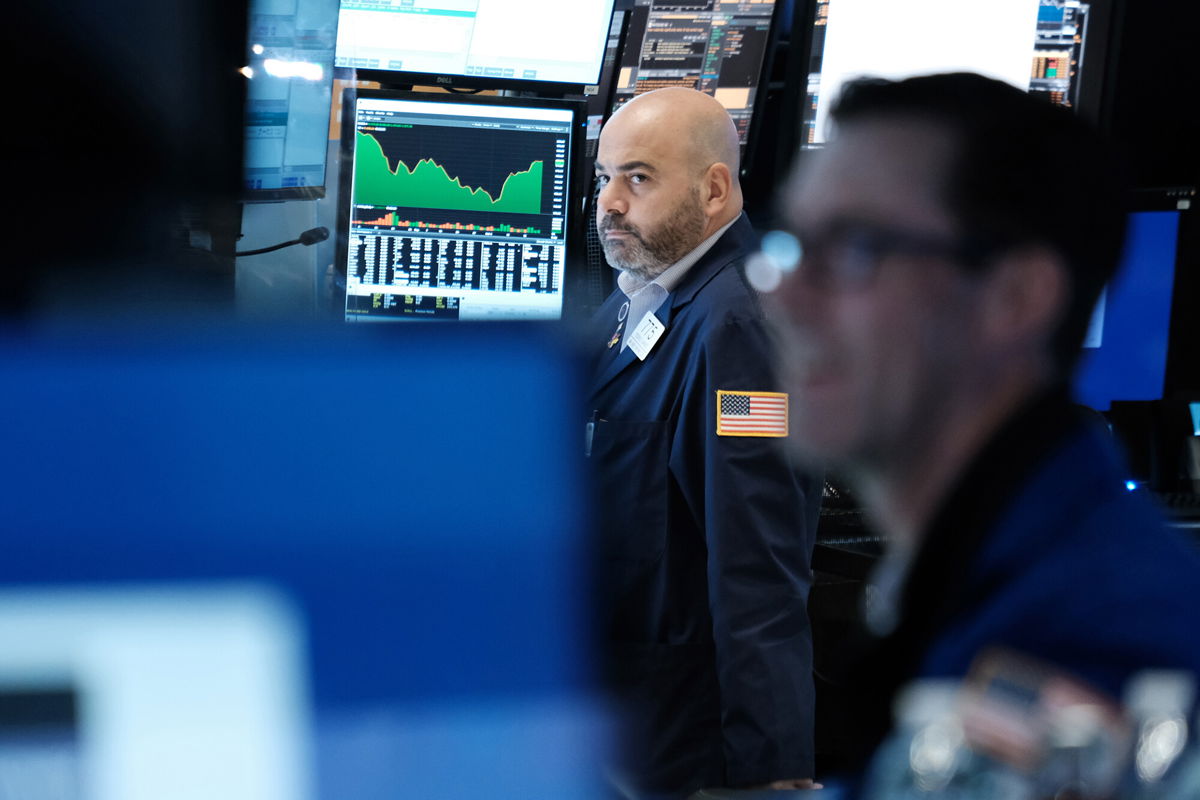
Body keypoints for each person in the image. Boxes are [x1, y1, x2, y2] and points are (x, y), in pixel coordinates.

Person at [766, 72, 1200, 766]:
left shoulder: (1093, 644)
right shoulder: (984, 571)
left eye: (854, 250)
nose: (784, 299)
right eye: (789, 246)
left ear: (1017, 296)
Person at [587, 87, 820, 796]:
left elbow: (758, 565)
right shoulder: (642, 294)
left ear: (714, 190)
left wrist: (772, 769)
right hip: (626, 721)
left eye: (638, 178)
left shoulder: (740, 328)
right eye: (604, 178)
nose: (609, 203)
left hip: (690, 746)